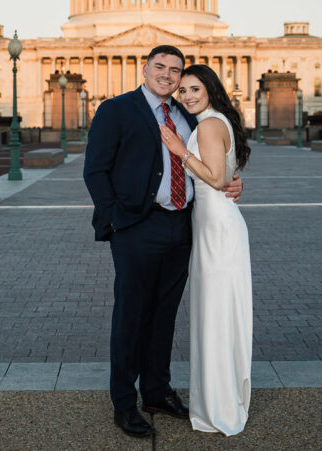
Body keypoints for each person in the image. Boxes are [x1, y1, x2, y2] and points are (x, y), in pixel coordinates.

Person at [84, 45, 243, 438]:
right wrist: (117, 220)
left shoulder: (188, 113)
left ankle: (156, 390)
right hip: (138, 227)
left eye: (175, 70)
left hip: (183, 225)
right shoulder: (115, 109)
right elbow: (95, 171)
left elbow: (212, 163)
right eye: (161, 67)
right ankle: (124, 401)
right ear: (145, 68)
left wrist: (230, 180)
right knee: (131, 316)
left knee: (164, 316)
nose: (168, 75)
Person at [159, 64, 253, 436]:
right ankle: (221, 400)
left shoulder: (209, 125)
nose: (187, 96)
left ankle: (220, 408)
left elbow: (215, 179)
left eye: (195, 89)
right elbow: (224, 175)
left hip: (217, 231)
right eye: (183, 91)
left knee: (215, 317)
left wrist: (181, 151)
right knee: (217, 317)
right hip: (215, 226)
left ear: (211, 89)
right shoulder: (215, 122)